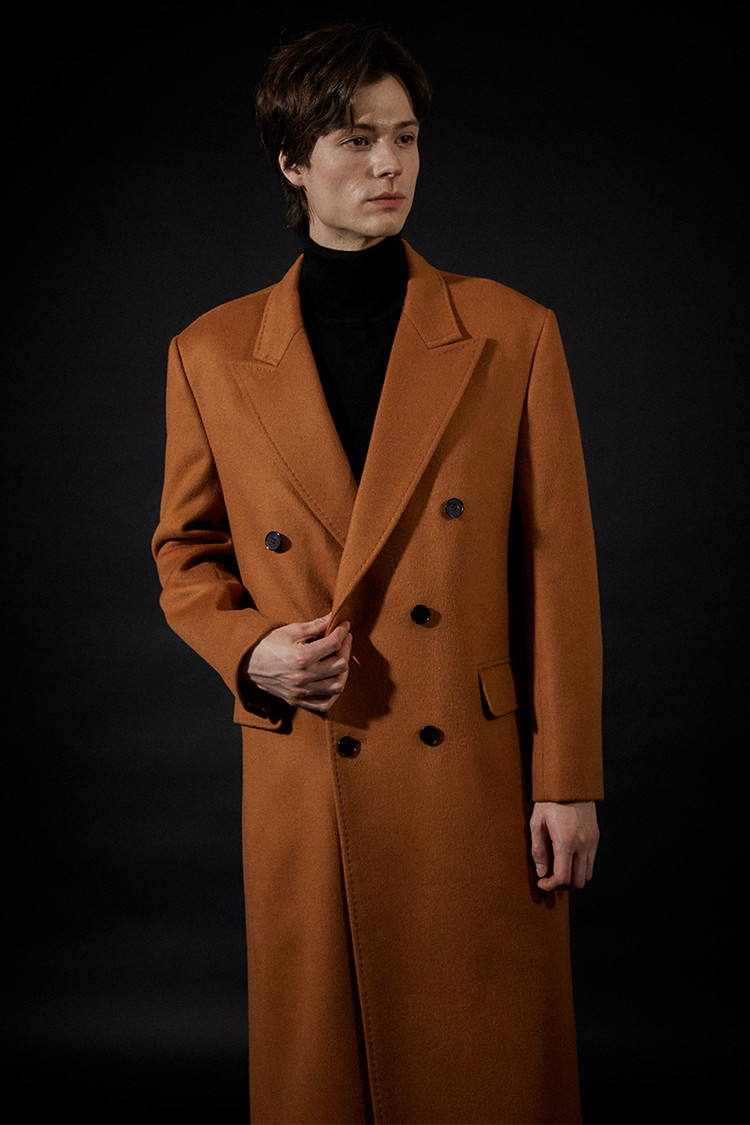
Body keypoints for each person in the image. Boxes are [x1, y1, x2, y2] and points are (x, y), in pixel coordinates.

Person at [152, 22, 603, 1125]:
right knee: (324, 1076)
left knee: (483, 1069)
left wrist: (568, 779)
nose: (390, 163)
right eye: (355, 140)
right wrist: (250, 651)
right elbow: (185, 553)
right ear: (292, 163)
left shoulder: (510, 331)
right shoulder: (210, 351)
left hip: (476, 773)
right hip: (311, 764)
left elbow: (557, 566)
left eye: (404, 137)